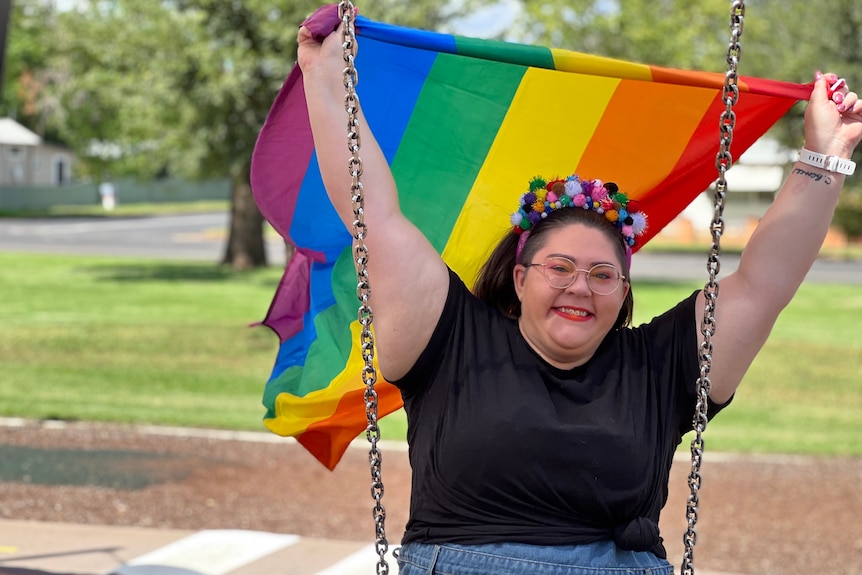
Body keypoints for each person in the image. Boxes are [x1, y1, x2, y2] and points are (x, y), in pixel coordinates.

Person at [296, 11, 862, 575]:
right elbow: (374, 214)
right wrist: (325, 80)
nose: (580, 287)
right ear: (520, 278)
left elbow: (765, 283)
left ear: (623, 289)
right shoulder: (447, 340)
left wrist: (825, 153)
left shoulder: (658, 368)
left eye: (602, 274)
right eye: (560, 267)